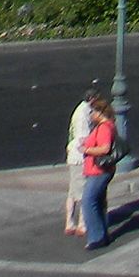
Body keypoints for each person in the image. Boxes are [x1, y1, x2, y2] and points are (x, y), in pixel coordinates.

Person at [77, 93, 120, 251]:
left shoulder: (103, 127)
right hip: (102, 170)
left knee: (88, 202)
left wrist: (86, 149)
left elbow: (105, 148)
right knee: (99, 202)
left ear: (100, 112)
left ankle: (96, 237)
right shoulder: (108, 125)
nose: (91, 115)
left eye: (93, 112)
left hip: (98, 171)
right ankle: (102, 234)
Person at [62, 87, 98, 236]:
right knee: (83, 193)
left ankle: (69, 223)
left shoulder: (81, 110)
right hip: (79, 158)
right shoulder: (83, 115)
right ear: (92, 99)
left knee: (72, 192)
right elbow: (83, 140)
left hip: (73, 156)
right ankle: (82, 225)